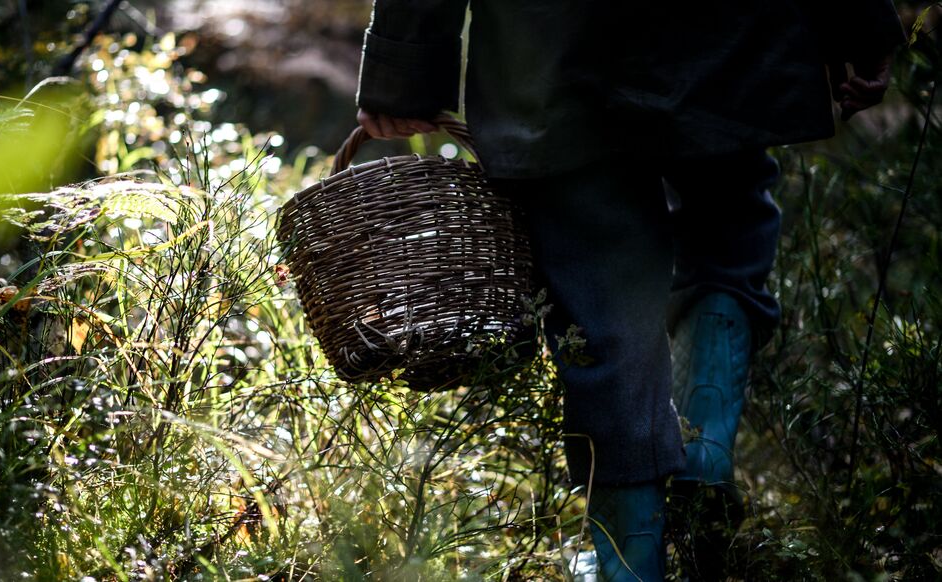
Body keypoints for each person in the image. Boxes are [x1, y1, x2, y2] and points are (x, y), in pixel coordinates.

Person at [353, 1, 906, 579]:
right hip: (726, 33)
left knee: (600, 303)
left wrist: (402, 72)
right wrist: (862, 22)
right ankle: (705, 446)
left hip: (553, 47)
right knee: (728, 225)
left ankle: (630, 564)